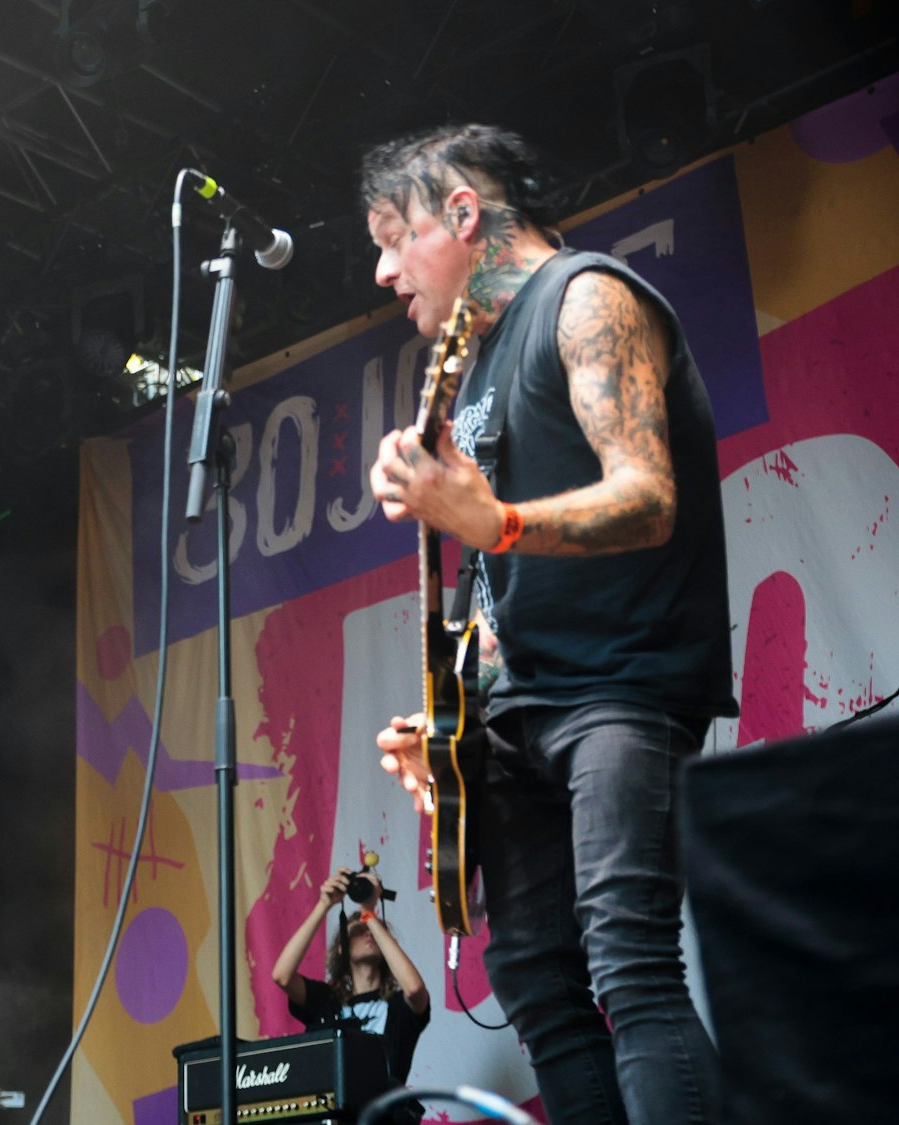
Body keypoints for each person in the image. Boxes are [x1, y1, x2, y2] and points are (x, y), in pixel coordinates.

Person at [363, 123, 733, 1124]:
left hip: (621, 682)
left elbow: (646, 497)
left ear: (462, 213)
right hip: (515, 710)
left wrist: (496, 518)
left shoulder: (586, 297)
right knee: (534, 985)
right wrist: (442, 719)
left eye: (394, 237)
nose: (382, 268)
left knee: (626, 962)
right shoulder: (470, 369)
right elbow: (501, 589)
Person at [268, 870, 428, 1119]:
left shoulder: (397, 1006)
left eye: (373, 931)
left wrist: (369, 913)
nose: (367, 932)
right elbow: (282, 975)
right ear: (342, 946)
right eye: (358, 930)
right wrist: (324, 904)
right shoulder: (327, 1001)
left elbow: (415, 989)